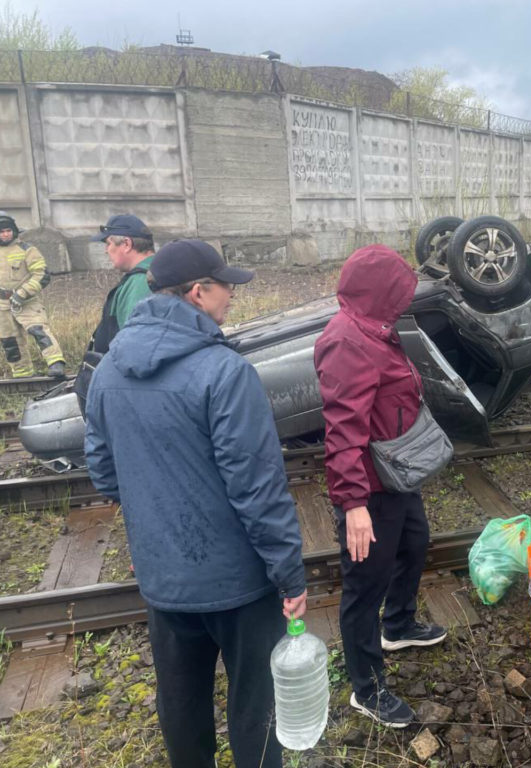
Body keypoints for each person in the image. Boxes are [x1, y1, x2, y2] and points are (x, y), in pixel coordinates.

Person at [84, 239, 307, 768]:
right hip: (240, 585)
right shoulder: (225, 373)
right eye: (226, 285)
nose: (232, 295)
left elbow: (102, 471)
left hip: (164, 580)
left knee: (180, 702)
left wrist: (156, 522)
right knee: (257, 705)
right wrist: (290, 575)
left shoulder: (109, 370)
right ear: (197, 293)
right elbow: (256, 489)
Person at [314, 244, 447, 728]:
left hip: (395, 474)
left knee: (415, 543)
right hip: (368, 487)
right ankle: (366, 689)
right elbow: (342, 430)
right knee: (364, 587)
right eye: (398, 292)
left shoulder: (374, 327)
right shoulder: (348, 341)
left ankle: (399, 626)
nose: (404, 300)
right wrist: (353, 504)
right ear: (377, 293)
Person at [0, 212, 66, 378]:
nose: (5, 234)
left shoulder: (27, 250)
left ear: (14, 230)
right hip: (2, 306)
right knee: (10, 342)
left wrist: (22, 293)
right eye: (1, 232)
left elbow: (42, 274)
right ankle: (22, 375)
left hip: (26, 302)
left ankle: (55, 363)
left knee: (39, 331)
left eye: (8, 230)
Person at [87, 214, 157, 353]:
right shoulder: (160, 270)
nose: (106, 251)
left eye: (108, 244)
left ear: (126, 244)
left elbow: (135, 344)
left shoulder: (140, 282)